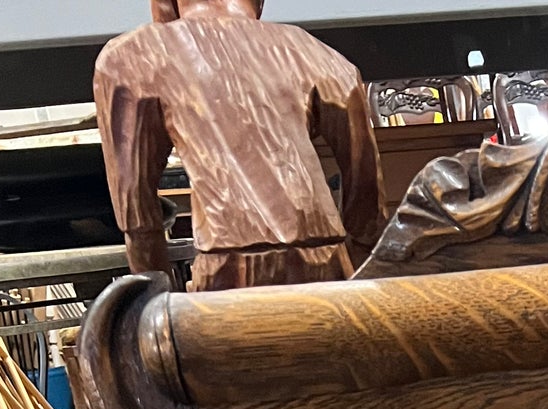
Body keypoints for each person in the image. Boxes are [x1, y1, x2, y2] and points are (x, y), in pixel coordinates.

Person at [94, 0, 384, 292]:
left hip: (228, 261)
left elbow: (137, 212)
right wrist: (360, 288)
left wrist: (158, 309)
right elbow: (367, 202)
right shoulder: (317, 54)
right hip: (327, 257)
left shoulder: (133, 57)